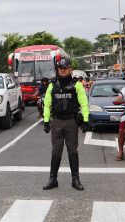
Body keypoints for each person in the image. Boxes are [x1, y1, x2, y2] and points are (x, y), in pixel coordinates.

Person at [42, 57, 89, 191]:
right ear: (58, 69)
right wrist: (46, 121)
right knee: (56, 150)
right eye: (60, 68)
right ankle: (53, 179)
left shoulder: (77, 85)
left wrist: (86, 120)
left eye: (65, 68)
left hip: (71, 122)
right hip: (57, 122)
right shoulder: (52, 85)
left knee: (72, 150)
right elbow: (47, 104)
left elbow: (84, 103)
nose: (63, 70)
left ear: (70, 69)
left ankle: (75, 179)